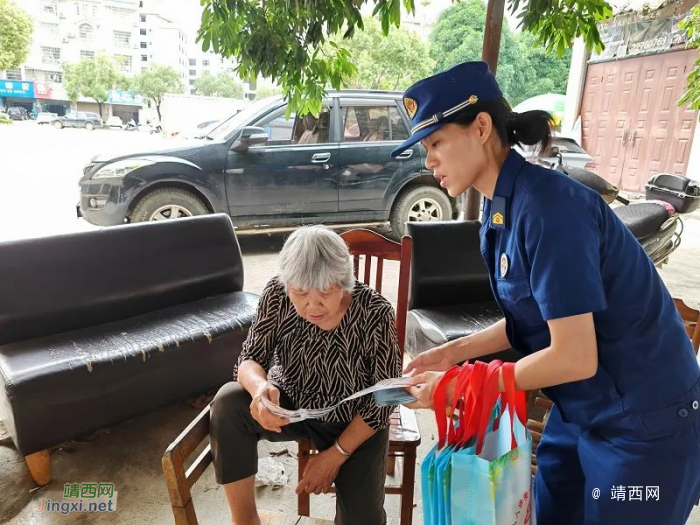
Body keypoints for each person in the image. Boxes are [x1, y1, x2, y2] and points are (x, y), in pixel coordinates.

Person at [393, 61, 700, 524]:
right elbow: (531, 318)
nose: (428, 160)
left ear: (480, 127)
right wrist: (454, 352)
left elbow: (575, 355)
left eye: (435, 142)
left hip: (645, 424)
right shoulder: (501, 210)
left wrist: (461, 384)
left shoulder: (551, 208)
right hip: (581, 410)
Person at [209, 225, 401, 525]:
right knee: (228, 403)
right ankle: (245, 519)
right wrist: (260, 389)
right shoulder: (276, 294)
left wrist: (334, 456)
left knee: (363, 519)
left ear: (344, 283)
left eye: (325, 293)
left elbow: (387, 397)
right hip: (293, 407)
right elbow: (249, 359)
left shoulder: (375, 312)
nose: (313, 306)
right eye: (300, 293)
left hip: (356, 420)